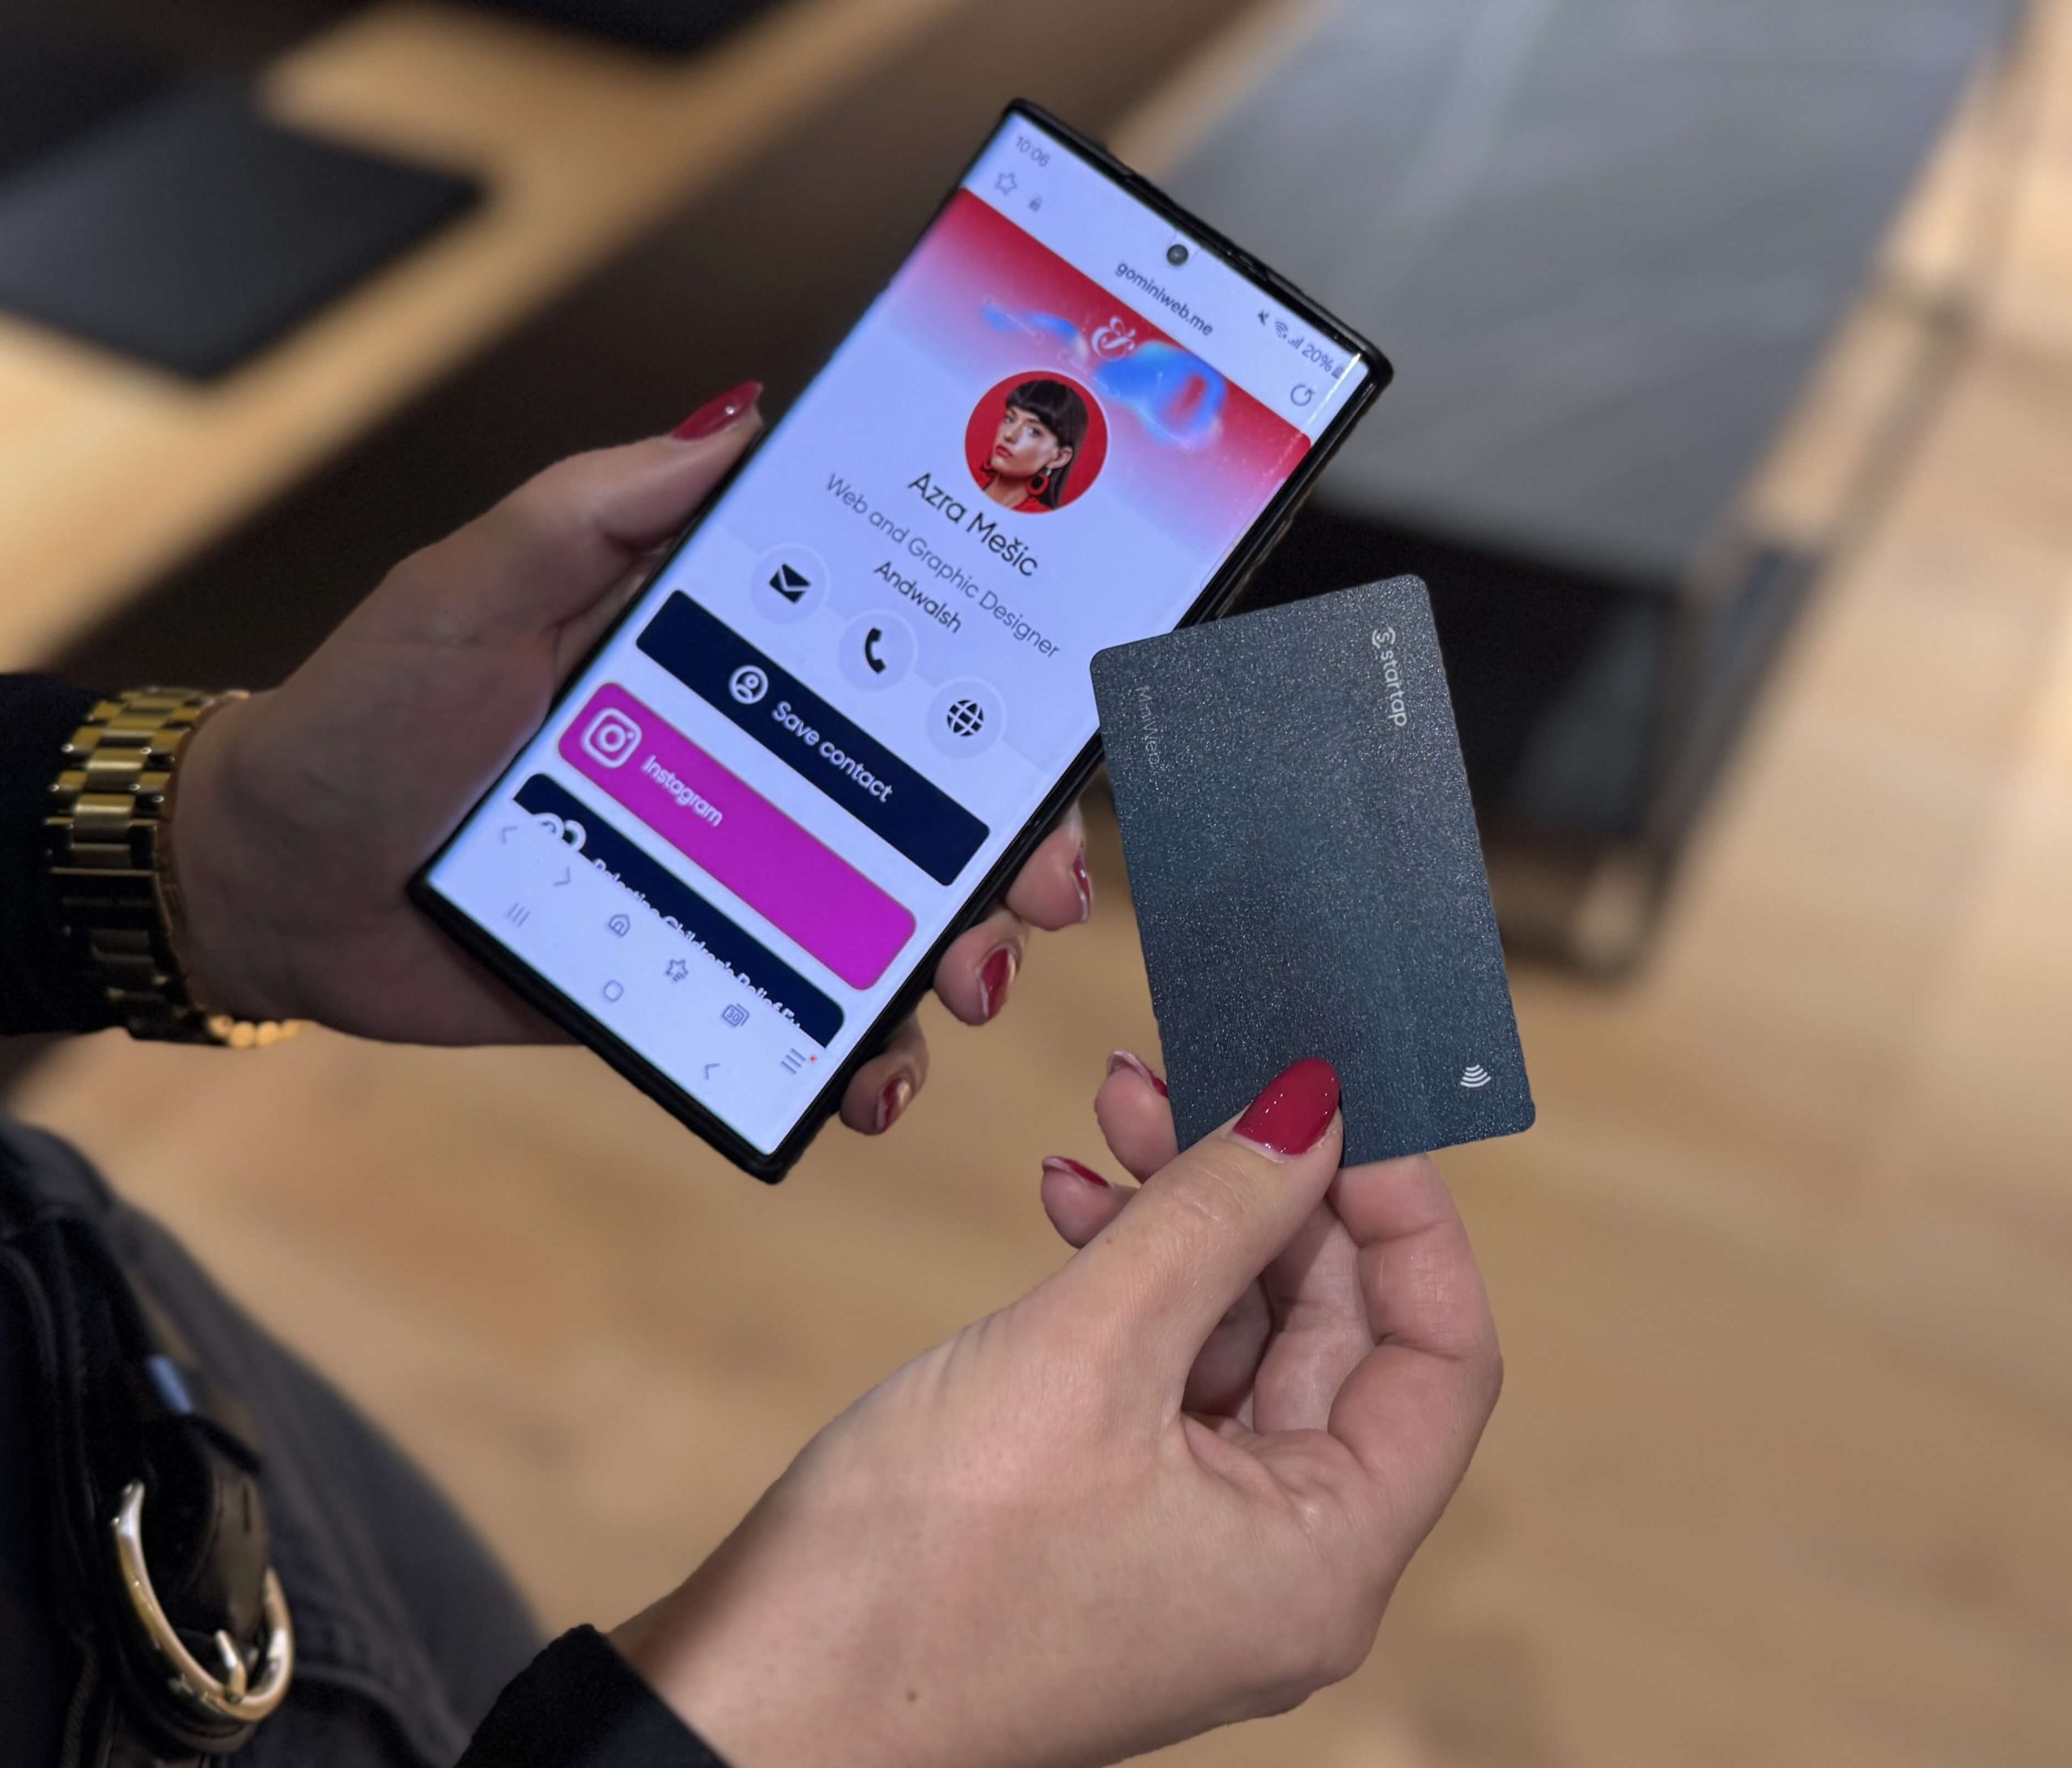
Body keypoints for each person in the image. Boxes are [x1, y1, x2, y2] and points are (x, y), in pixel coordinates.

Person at [0, 385, 1500, 1766]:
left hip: (86, 1333)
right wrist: (812, 1693)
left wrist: (213, 849)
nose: (1020, 454)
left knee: (469, 1657)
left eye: (1045, 451)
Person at [977, 378, 1089, 512]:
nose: (1009, 435)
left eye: (1033, 431)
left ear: (1059, 458)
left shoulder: (1043, 521)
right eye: (1009, 419)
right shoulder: (959, 479)